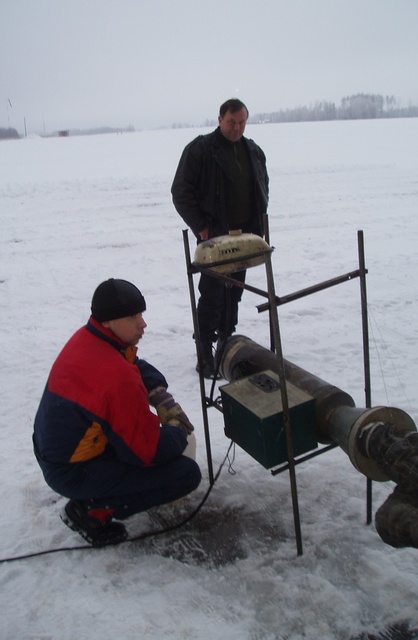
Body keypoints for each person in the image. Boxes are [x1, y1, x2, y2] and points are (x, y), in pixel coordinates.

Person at [33, 278, 201, 547]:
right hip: (72, 470)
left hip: (57, 454)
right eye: (133, 316)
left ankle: (94, 494)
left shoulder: (90, 337)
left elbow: (133, 362)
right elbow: (145, 453)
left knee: (134, 443)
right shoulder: (116, 378)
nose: (142, 323)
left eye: (141, 314)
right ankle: (92, 511)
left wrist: (157, 390)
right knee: (185, 474)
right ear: (109, 321)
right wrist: (177, 431)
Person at [171, 98, 269, 378]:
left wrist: (259, 223)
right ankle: (205, 353)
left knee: (235, 291)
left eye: (241, 122)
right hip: (214, 239)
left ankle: (226, 343)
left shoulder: (253, 151)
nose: (237, 128)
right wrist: (200, 226)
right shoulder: (201, 150)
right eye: (231, 122)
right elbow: (180, 191)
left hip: (244, 236)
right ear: (219, 120)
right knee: (212, 295)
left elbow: (263, 186)